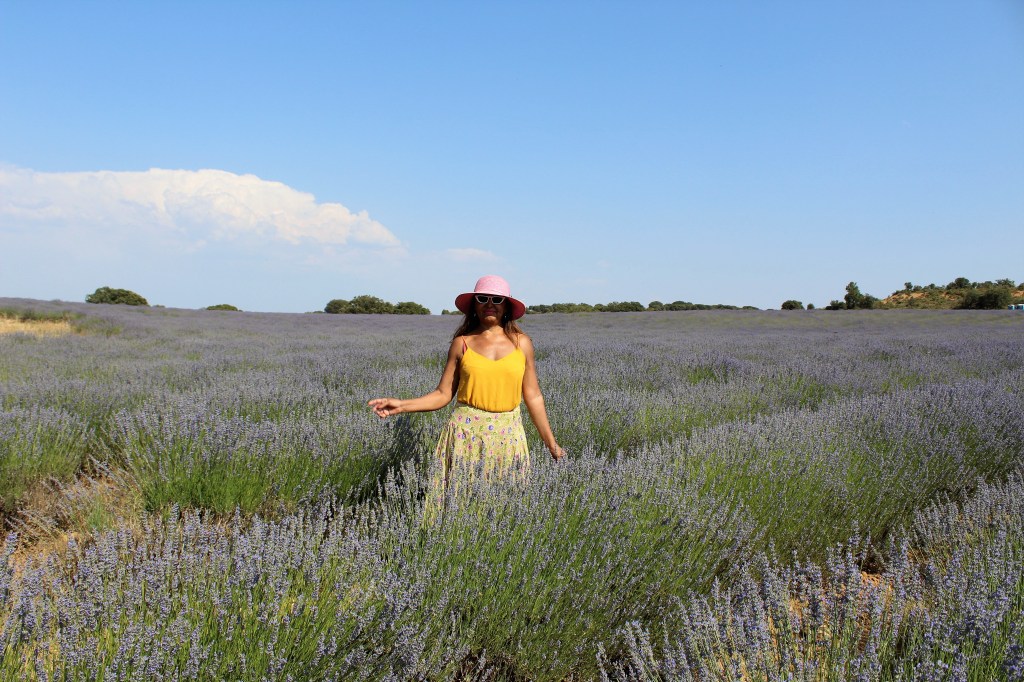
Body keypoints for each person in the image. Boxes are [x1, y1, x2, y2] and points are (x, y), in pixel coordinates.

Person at [369, 275, 563, 493]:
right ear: (474, 305)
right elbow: (442, 394)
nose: (490, 304)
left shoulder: (522, 344)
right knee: (461, 501)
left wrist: (551, 445)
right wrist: (401, 405)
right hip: (465, 435)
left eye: (497, 299)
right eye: (482, 298)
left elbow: (533, 397)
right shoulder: (461, 344)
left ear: (507, 305)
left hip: (508, 437)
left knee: (507, 503)